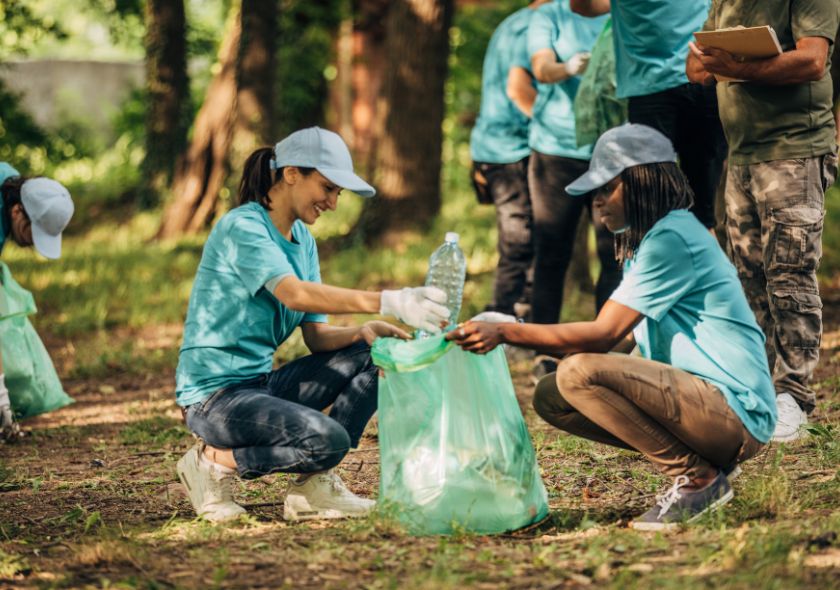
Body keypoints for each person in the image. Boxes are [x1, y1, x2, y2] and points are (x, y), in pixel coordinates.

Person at [447, 124, 776, 530]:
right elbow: (621, 342)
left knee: (577, 373)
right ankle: (704, 463)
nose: (597, 201)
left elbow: (603, 334)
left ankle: (697, 479)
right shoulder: (650, 242)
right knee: (553, 394)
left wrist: (510, 331)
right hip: (708, 409)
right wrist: (518, 331)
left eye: (607, 188)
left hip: (734, 413)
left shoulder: (672, 236)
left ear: (642, 181)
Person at [174, 127, 450, 523]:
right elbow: (294, 294)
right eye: (328, 187)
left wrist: (363, 331)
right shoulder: (243, 227)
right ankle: (212, 461)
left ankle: (312, 488)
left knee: (377, 354)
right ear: (290, 174)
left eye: (338, 193)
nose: (334, 203)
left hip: (259, 386)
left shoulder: (303, 240)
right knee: (327, 439)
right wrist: (389, 300)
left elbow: (316, 336)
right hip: (214, 399)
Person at [687, 0, 839, 441]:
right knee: (748, 278)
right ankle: (759, 390)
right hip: (742, 154)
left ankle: (793, 396)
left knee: (789, 275)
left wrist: (736, 66)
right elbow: (695, 69)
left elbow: (812, 60)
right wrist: (717, 62)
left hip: (795, 149)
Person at [571, 0, 727, 232]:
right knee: (667, 208)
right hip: (667, 87)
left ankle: (690, 260)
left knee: (657, 207)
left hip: (685, 82)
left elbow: (585, 6)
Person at [526, 0, 621, 373]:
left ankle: (606, 348)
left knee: (614, 251)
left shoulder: (622, 12)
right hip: (556, 149)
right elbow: (541, 67)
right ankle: (543, 353)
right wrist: (568, 67)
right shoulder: (550, 14)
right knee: (552, 251)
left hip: (611, 150)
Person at [470, 0, 551, 320]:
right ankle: (501, 317)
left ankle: (517, 316)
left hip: (494, 147)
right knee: (520, 240)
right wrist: (556, 131)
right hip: (508, 149)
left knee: (527, 236)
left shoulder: (513, 22)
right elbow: (518, 90)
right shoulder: (533, 27)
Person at [0, 162, 74, 442]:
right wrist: (2, 398)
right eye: (34, 232)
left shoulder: (8, 179)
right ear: (17, 211)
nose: (32, 243)